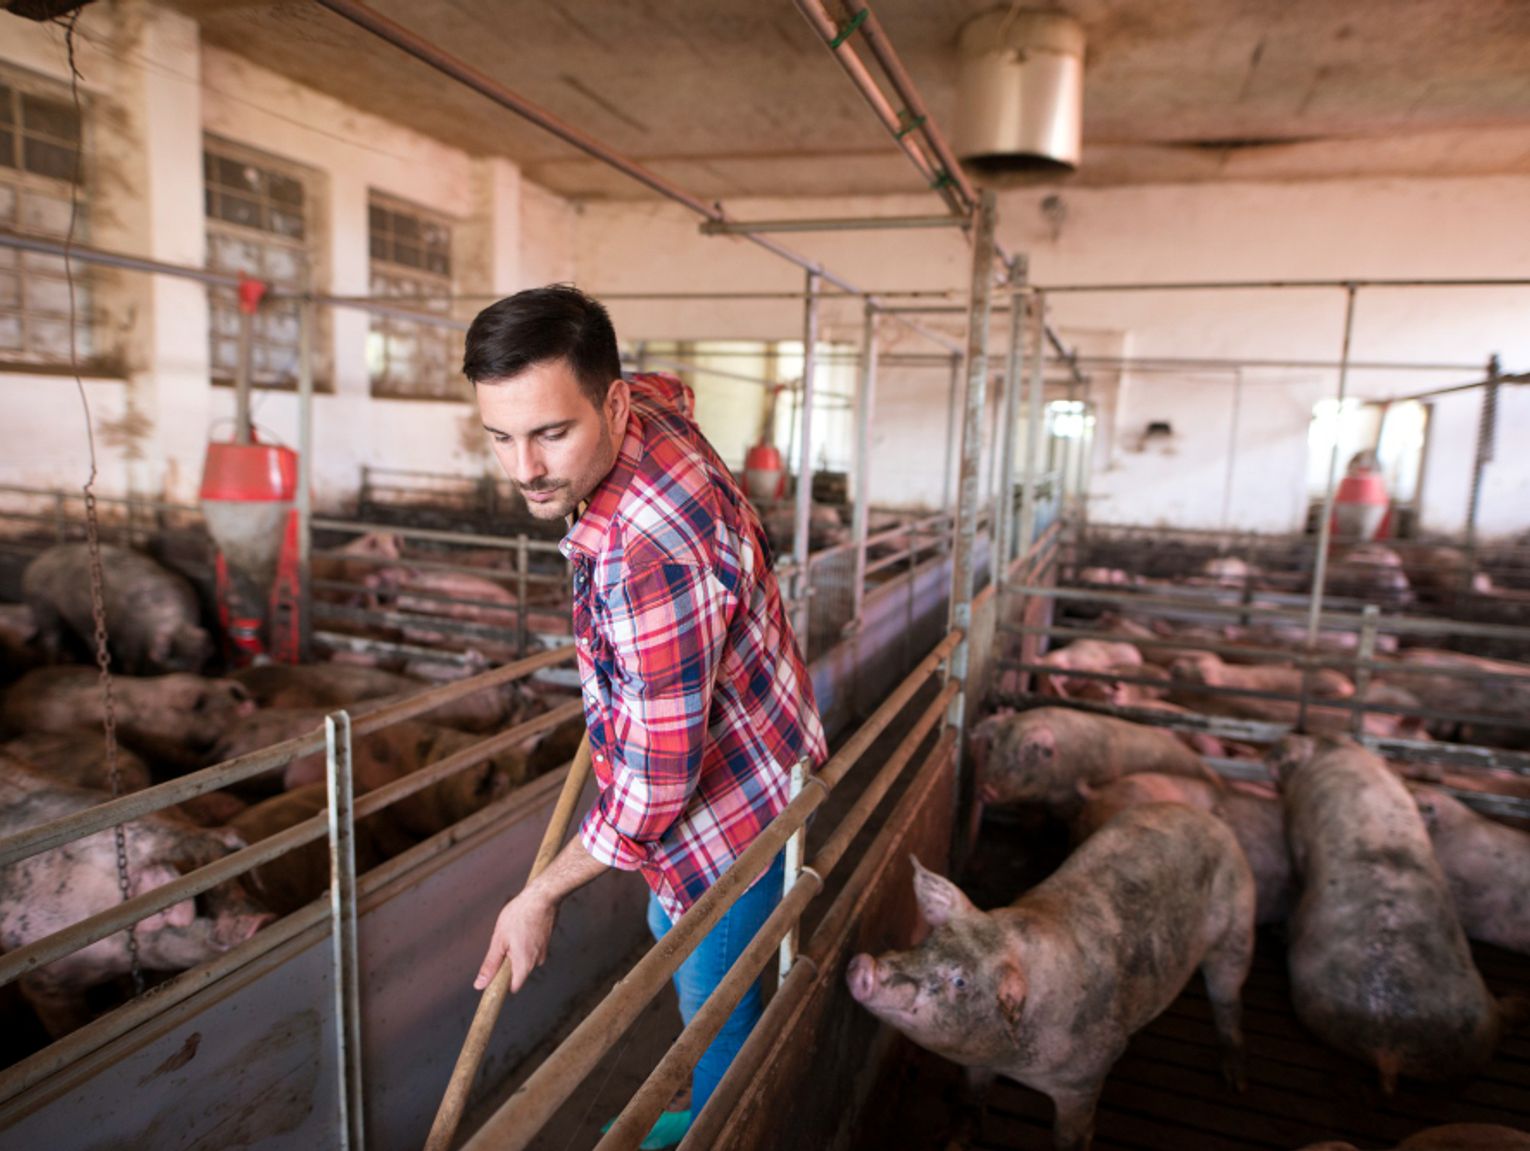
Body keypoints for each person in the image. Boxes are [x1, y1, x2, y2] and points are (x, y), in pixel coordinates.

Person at [465, 285, 827, 1148]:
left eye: (552, 433)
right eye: (501, 437)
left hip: (731, 815)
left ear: (612, 403)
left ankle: (719, 1122)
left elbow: (660, 784)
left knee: (716, 1012)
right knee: (674, 941)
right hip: (746, 742)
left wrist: (539, 891)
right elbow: (675, 386)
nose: (525, 469)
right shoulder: (647, 406)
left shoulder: (648, 548)